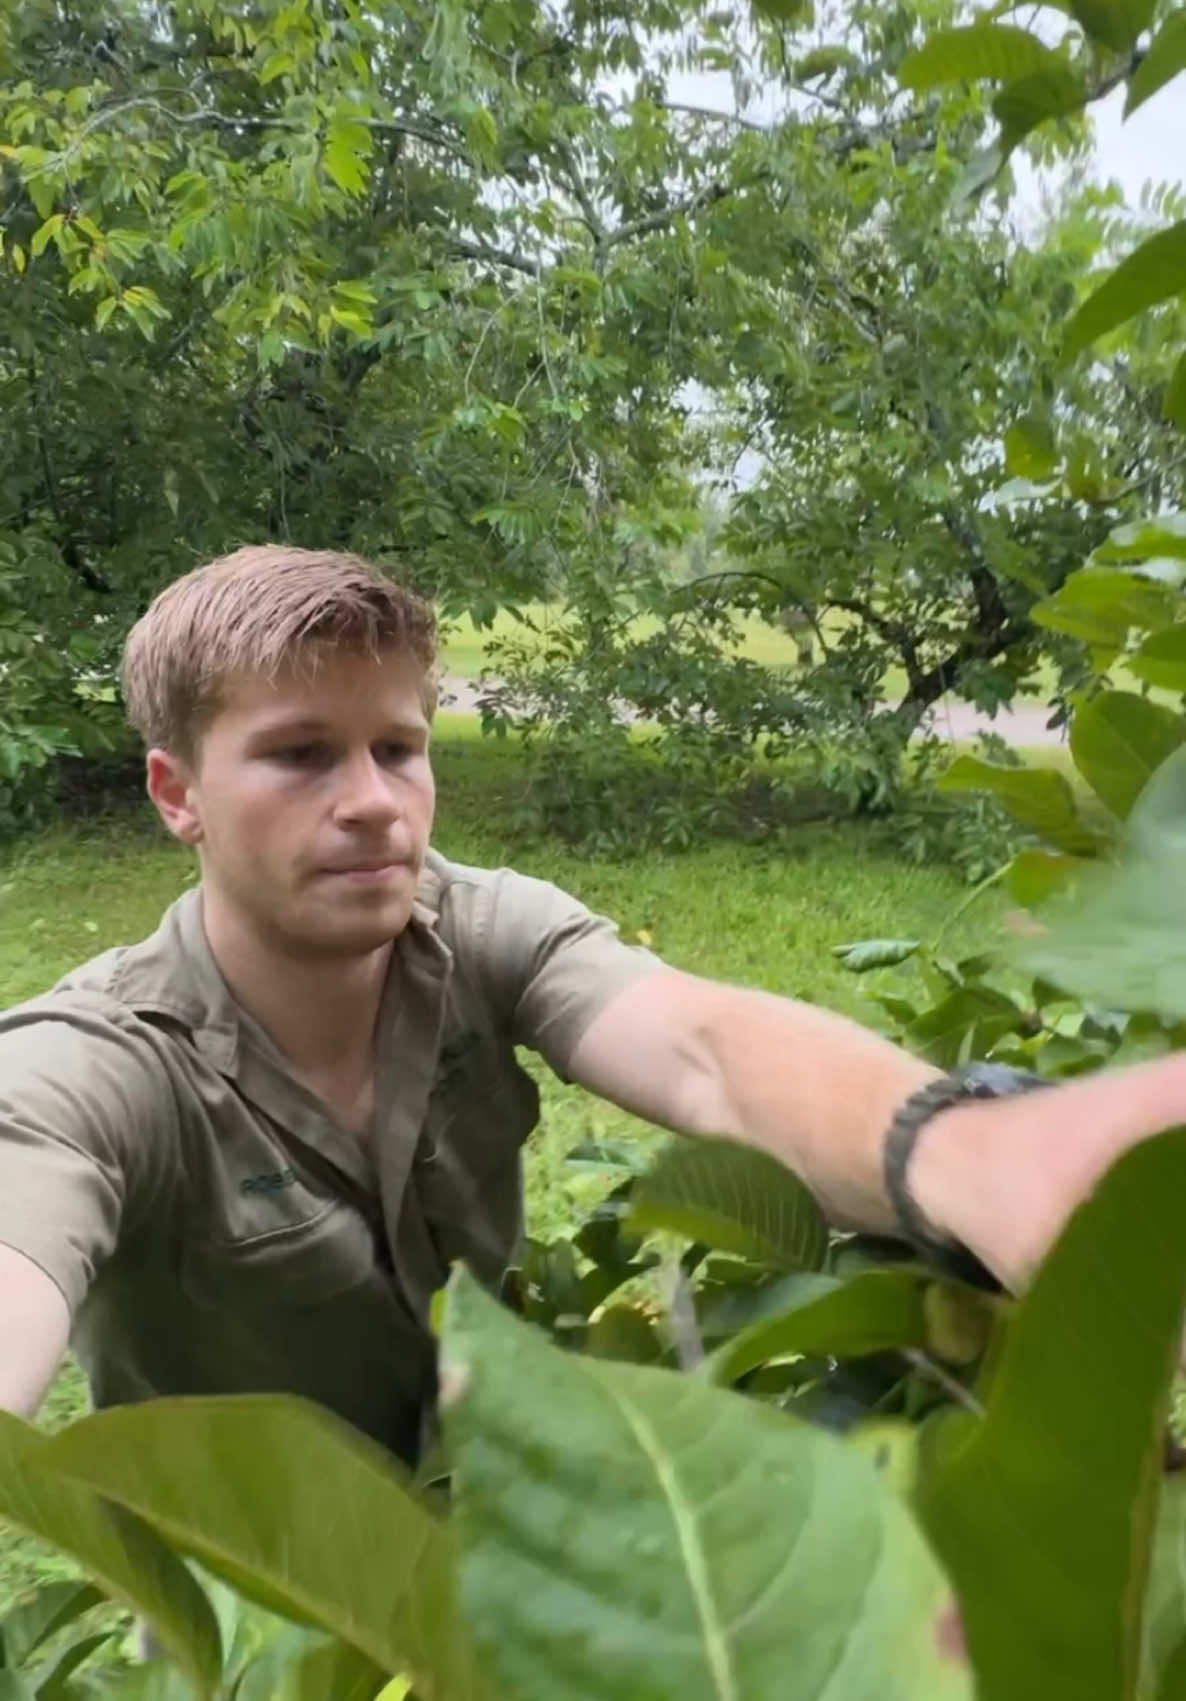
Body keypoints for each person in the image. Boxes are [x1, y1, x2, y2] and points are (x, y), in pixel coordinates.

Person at [0, 545, 1176, 1454]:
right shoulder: (97, 1068)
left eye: (397, 748)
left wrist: (973, 1149)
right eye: (301, 754)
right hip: (269, 1636)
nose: (372, 803)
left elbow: (702, 1046)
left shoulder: (482, 928)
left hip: (513, 1544)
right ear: (177, 792)